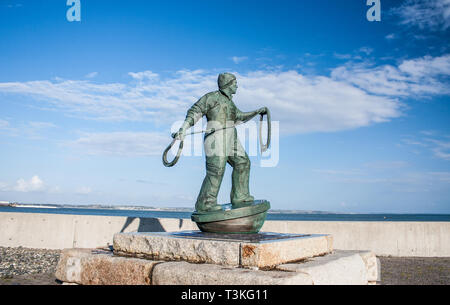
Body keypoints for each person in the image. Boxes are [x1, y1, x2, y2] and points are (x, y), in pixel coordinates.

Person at [174, 73, 267, 212]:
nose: (237, 85)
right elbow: (196, 111)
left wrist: (257, 112)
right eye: (235, 83)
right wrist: (183, 128)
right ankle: (206, 203)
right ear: (228, 84)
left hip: (231, 138)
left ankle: (240, 196)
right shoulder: (212, 97)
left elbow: (239, 117)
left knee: (243, 162)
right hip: (215, 138)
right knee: (216, 170)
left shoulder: (230, 102)